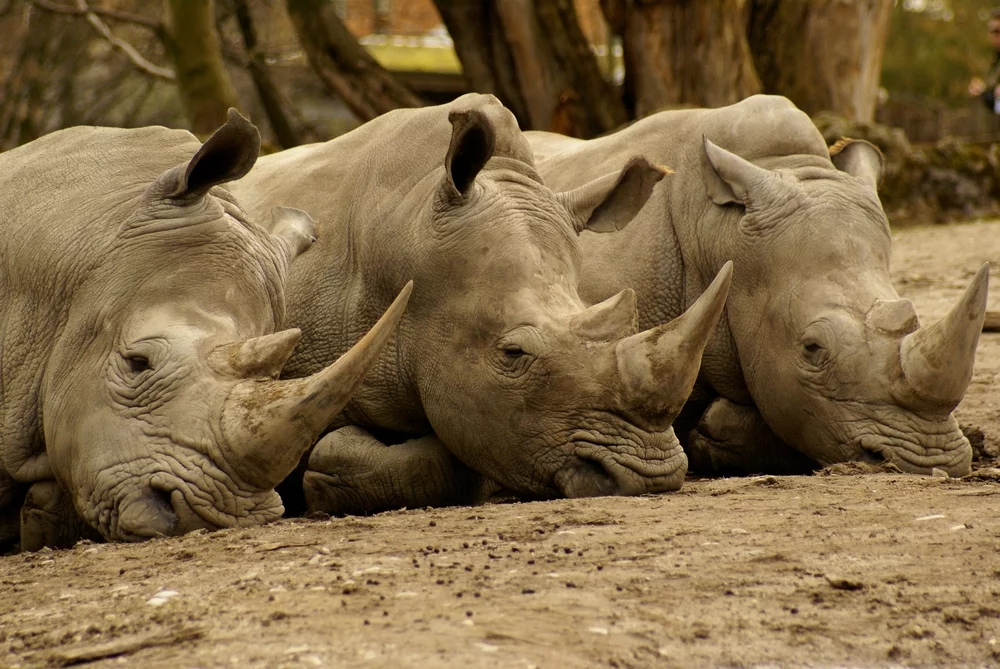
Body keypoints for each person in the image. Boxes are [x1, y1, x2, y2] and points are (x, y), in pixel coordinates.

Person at [969, 9, 1000, 113]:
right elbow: (998, 107)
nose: (993, 36)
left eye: (997, 31)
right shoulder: (996, 60)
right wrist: (983, 93)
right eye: (991, 31)